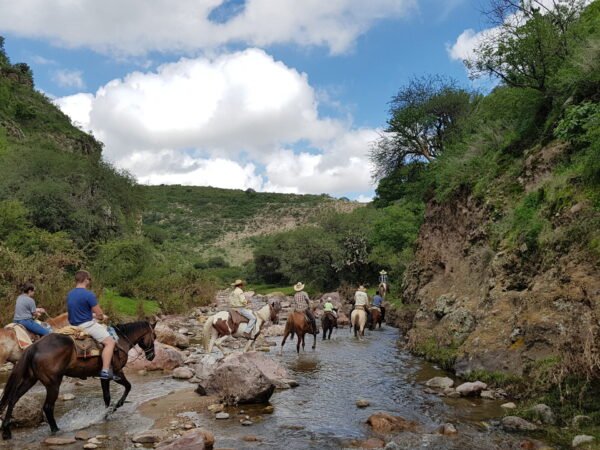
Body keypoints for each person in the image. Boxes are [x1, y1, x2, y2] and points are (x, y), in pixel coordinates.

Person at [66, 270, 119, 381]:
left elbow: (78, 311)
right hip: (86, 326)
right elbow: (99, 314)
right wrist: (101, 317)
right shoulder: (88, 294)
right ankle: (105, 371)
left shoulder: (70, 294)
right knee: (110, 342)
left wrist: (92, 315)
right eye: (89, 279)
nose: (89, 281)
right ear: (85, 279)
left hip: (72, 325)